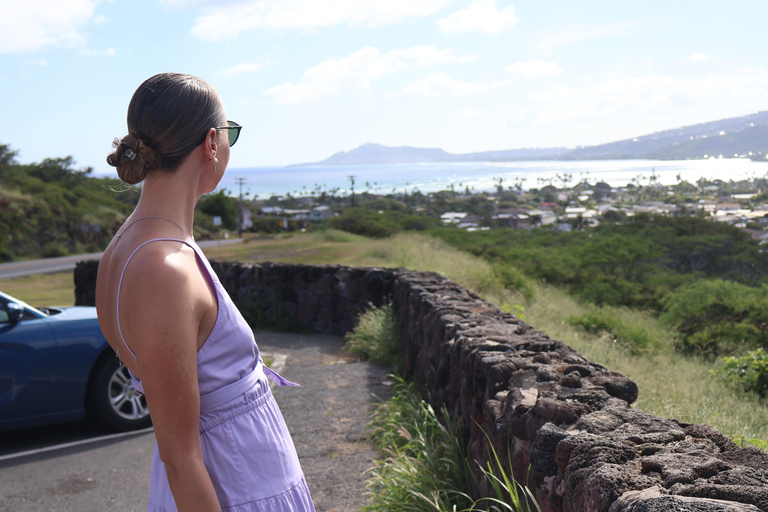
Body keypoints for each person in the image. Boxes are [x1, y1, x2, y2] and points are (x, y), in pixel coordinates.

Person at [95, 73, 315, 512]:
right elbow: (180, 456)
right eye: (229, 134)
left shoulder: (126, 248)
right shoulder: (165, 269)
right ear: (212, 143)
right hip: (235, 489)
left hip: (238, 481)